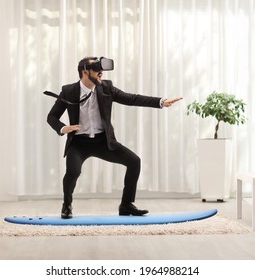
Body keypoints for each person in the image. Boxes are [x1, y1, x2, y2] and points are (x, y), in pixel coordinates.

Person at [47, 56, 183, 219]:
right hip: (79, 143)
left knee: (134, 161)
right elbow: (52, 117)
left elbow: (132, 98)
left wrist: (161, 102)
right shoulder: (69, 91)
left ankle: (126, 205)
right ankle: (67, 205)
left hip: (103, 141)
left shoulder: (106, 88)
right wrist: (63, 128)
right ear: (85, 72)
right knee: (73, 172)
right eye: (97, 68)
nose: (101, 73)